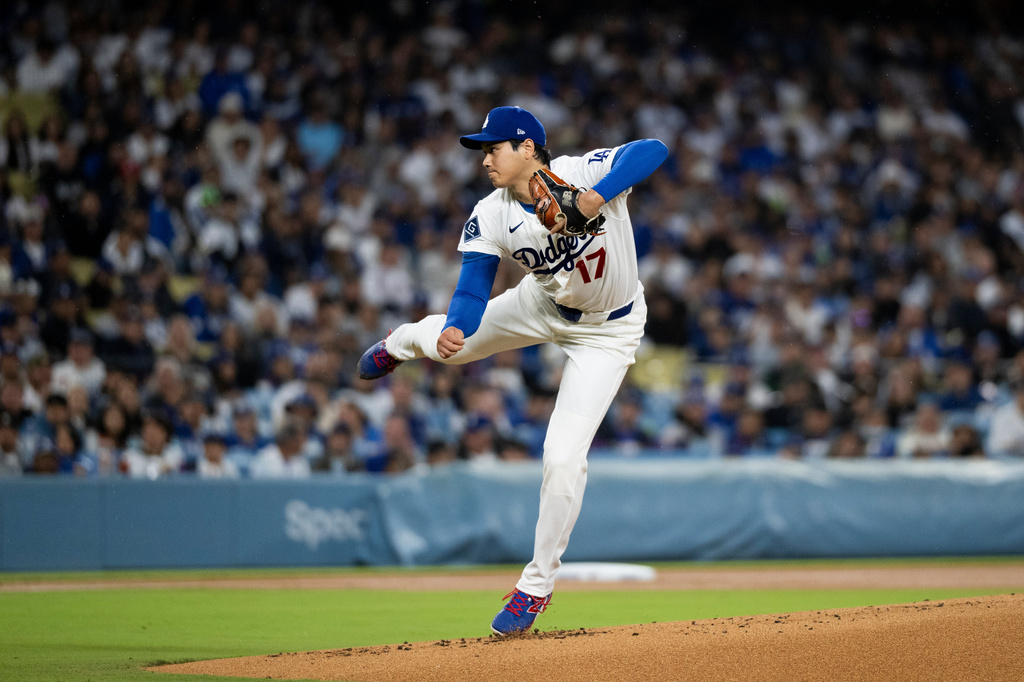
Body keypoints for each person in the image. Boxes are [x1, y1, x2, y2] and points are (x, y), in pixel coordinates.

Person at [356, 106, 667, 635]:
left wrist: (592, 198)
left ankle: (535, 588)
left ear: (528, 148)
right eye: (482, 151)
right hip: (540, 304)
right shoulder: (493, 212)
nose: (485, 160)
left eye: (493, 148)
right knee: (448, 343)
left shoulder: (582, 171)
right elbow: (474, 285)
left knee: (563, 457)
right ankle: (401, 342)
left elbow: (653, 149)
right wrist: (459, 325)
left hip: (609, 330)